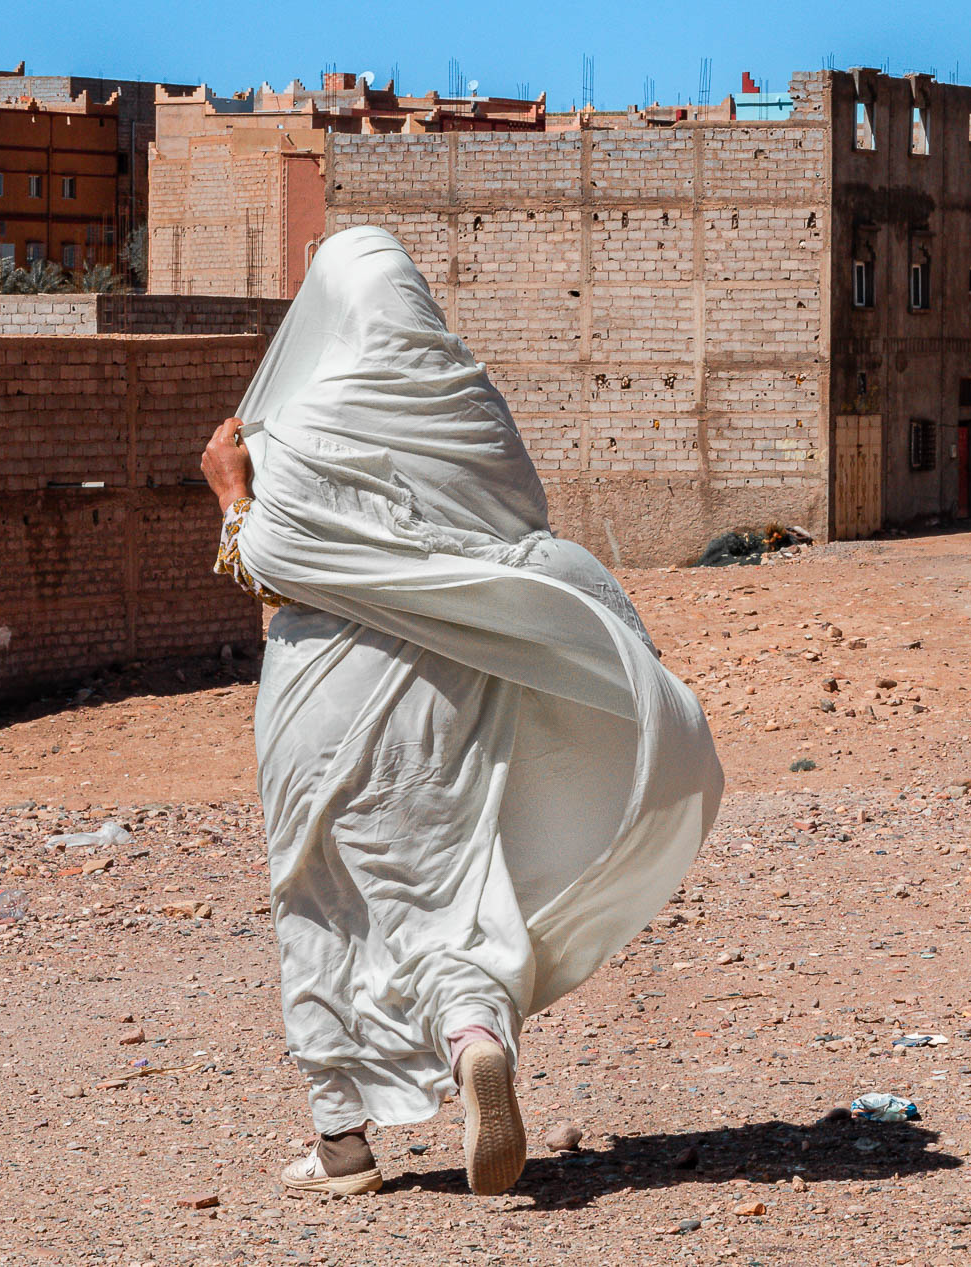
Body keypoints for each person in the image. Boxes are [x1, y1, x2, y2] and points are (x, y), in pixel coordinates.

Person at [200, 227, 723, 1197]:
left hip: (324, 692)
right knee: (447, 874)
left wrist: (232, 493)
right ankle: (473, 1035)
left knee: (320, 893)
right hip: (452, 684)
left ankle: (342, 1142)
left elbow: (268, 561)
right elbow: (515, 538)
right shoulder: (472, 408)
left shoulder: (305, 423)